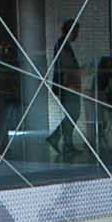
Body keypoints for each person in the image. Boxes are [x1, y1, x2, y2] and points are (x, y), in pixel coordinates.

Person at [48, 20, 84, 158]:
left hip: (68, 85)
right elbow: (68, 67)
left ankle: (60, 140)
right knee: (73, 114)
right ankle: (63, 142)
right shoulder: (63, 45)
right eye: (75, 32)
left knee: (72, 114)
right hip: (68, 86)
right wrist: (80, 72)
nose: (77, 35)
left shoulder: (63, 44)